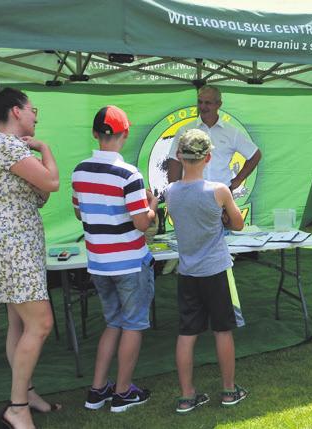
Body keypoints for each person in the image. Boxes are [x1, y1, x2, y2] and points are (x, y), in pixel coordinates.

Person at [0, 83, 60, 429]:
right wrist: (45, 148)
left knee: (20, 323)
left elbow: (41, 191)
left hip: (14, 245)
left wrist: (40, 163)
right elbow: (52, 183)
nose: (35, 117)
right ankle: (17, 408)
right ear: (16, 111)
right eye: (33, 110)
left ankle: (25, 394)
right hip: (14, 246)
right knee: (40, 324)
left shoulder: (6, 148)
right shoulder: (7, 146)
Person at [73, 106, 157, 412]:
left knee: (113, 323)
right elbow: (142, 223)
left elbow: (79, 211)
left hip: (98, 262)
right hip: (130, 262)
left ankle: (97, 391)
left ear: (95, 134)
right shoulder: (129, 174)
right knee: (133, 325)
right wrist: (152, 205)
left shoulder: (79, 171)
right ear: (125, 134)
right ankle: (123, 393)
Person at [163, 128, 249, 413]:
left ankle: (187, 395)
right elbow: (237, 224)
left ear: (179, 156)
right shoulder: (219, 191)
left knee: (186, 334)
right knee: (223, 331)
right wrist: (222, 216)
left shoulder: (171, 192)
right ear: (209, 157)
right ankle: (228, 390)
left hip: (188, 272)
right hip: (216, 269)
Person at [166, 85, 262, 194]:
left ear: (218, 104)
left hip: (220, 195)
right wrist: (173, 193)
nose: (203, 106)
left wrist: (238, 180)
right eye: (200, 102)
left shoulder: (231, 132)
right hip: (191, 193)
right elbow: (174, 161)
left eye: (208, 103)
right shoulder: (185, 130)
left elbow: (255, 155)